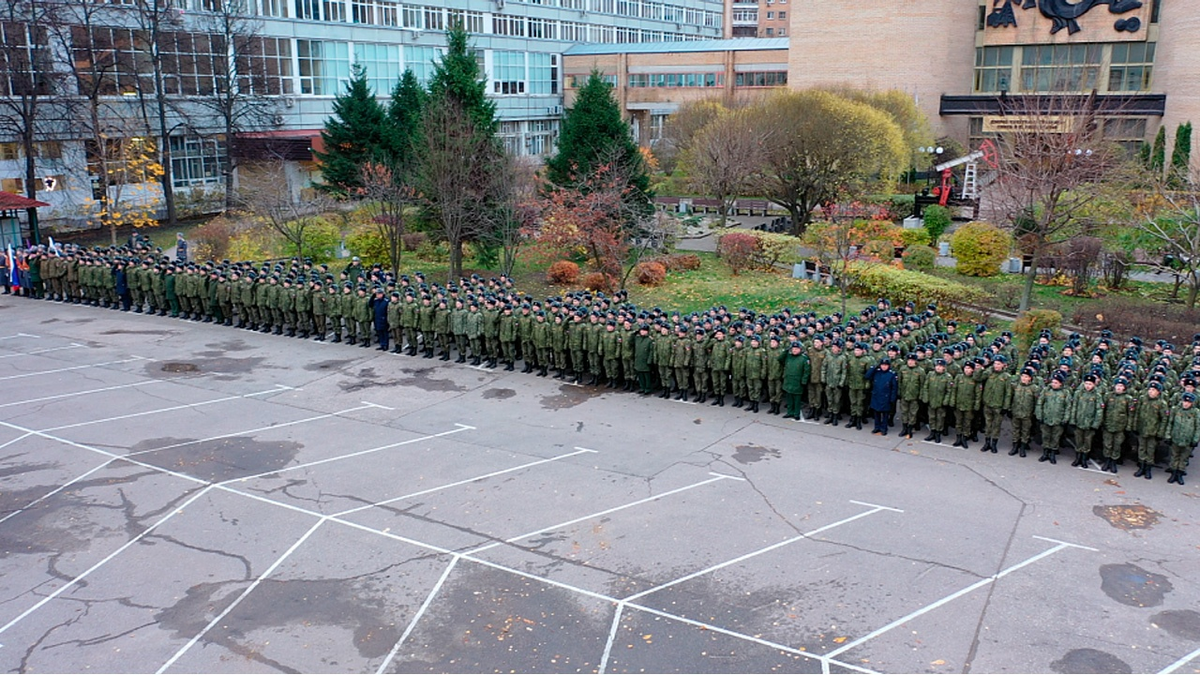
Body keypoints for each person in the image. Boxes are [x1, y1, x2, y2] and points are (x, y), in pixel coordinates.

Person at [1166, 393, 1199, 485]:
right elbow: (1170, 423)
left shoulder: (1195, 412)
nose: (1186, 404)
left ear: (1192, 403)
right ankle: (1173, 473)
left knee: (1183, 458)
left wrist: (1195, 439)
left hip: (1188, 439)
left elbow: (1198, 427)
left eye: (1188, 402)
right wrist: (1168, 435)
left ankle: (1180, 473)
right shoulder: (1176, 409)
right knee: (1174, 456)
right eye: (1184, 401)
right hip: (1176, 437)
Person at [780, 341, 811, 420]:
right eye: (793, 349)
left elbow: (806, 371)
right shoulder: (789, 356)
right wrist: (786, 351)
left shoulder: (804, 358)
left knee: (797, 399)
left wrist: (804, 381)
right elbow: (780, 359)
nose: (794, 350)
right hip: (788, 380)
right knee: (789, 398)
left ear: (800, 349)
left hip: (797, 381)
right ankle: (790, 412)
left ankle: (796, 413)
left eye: (796, 349)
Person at [867, 358, 899, 435]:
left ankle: (884, 428)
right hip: (876, 395)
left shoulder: (892, 374)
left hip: (886, 397)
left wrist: (893, 398)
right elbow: (867, 376)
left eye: (886, 365)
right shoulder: (877, 372)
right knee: (876, 413)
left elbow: (894, 388)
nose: (884, 367)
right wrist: (874, 367)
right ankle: (877, 427)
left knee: (885, 414)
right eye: (882, 365)